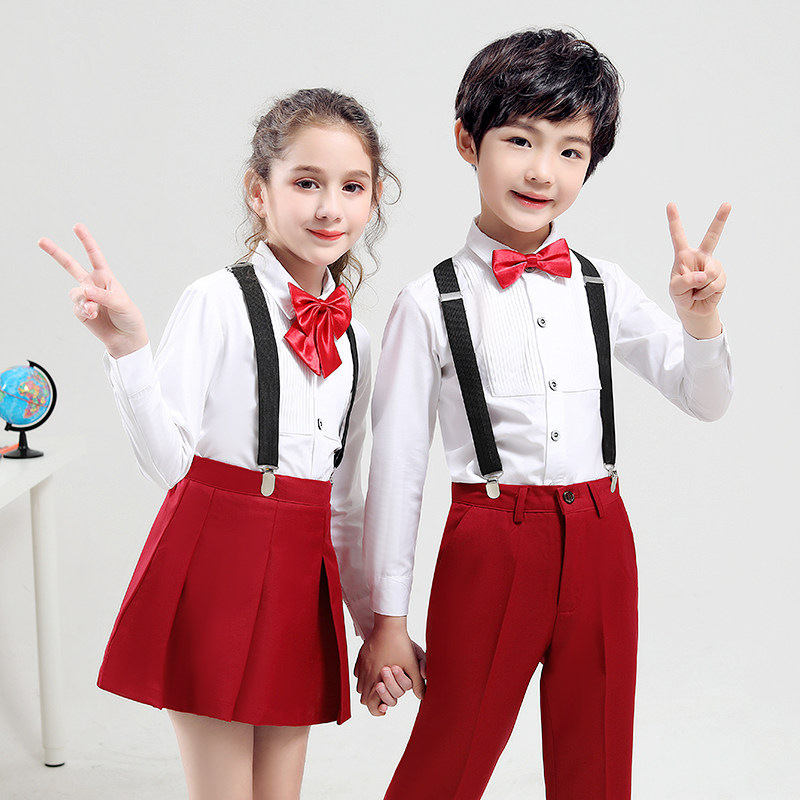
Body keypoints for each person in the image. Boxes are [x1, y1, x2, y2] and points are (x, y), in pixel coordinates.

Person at [354, 29, 733, 800]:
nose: (542, 171)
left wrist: (701, 321)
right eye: (520, 140)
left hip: (601, 535)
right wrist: (385, 620)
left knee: (598, 758)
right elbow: (396, 472)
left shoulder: (602, 285)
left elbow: (706, 398)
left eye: (570, 151)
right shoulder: (428, 303)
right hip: (492, 542)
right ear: (468, 141)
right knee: (449, 755)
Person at [39, 87, 398, 800]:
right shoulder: (216, 300)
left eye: (352, 187)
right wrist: (128, 352)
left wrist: (370, 628)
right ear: (259, 192)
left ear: (373, 199)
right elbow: (170, 463)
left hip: (304, 570)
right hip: (217, 556)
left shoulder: (355, 337)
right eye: (306, 183)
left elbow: (346, 499)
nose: (330, 208)